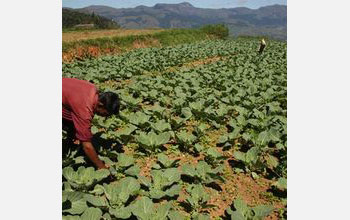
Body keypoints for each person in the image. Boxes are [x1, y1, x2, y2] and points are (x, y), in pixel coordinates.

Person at [62, 77, 120, 169]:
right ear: (100, 105)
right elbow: (87, 145)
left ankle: (69, 144)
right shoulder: (84, 109)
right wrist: (101, 166)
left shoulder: (93, 89)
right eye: (106, 114)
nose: (104, 117)